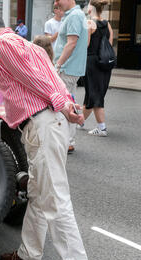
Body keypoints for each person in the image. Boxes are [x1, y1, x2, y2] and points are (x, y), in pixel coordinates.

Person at [0, 7, 90, 260]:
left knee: (53, 197)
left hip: (42, 122)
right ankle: (29, 253)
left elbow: (34, 80)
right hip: (48, 123)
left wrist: (62, 104)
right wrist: (65, 102)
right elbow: (50, 75)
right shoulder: (24, 43)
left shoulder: (1, 45)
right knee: (39, 193)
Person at [54, 0, 88, 153]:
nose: (56, 2)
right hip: (72, 68)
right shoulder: (78, 15)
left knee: (64, 105)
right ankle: (68, 140)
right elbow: (83, 42)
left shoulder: (74, 15)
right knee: (70, 103)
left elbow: (71, 43)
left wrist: (58, 65)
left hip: (66, 69)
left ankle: (66, 141)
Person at [81, 0, 113, 137]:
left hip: (92, 61)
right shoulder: (107, 24)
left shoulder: (89, 23)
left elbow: (86, 45)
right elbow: (110, 43)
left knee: (95, 94)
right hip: (105, 62)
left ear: (91, 8)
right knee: (91, 94)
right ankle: (79, 121)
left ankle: (102, 128)